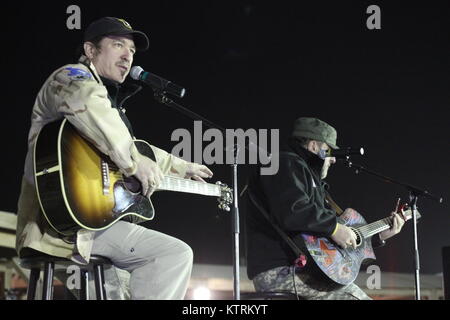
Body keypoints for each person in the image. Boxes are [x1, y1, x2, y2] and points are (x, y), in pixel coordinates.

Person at [15, 17, 213, 300]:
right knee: (172, 255)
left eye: (131, 50)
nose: (127, 56)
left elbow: (133, 146)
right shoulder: (70, 77)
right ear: (91, 50)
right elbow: (92, 107)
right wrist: (134, 162)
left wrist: (182, 167)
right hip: (57, 226)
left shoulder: (109, 109)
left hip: (93, 226)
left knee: (158, 262)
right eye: (118, 44)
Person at [244, 117, 405, 300]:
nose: (334, 160)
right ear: (313, 146)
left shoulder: (310, 179)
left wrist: (380, 235)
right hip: (282, 270)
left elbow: (330, 236)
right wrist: (335, 228)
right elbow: (293, 211)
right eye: (329, 151)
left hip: (306, 272)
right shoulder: (284, 163)